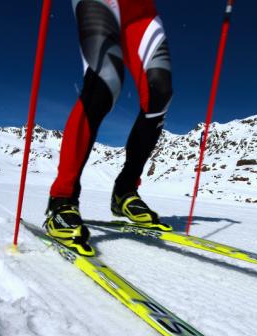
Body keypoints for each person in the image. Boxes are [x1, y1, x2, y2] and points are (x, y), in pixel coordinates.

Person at [44, 0, 173, 256]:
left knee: (160, 91)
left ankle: (124, 192)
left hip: (141, 11)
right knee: (104, 84)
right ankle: (62, 200)